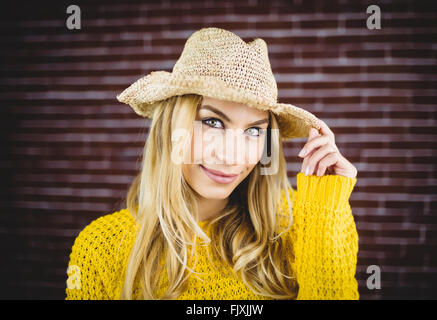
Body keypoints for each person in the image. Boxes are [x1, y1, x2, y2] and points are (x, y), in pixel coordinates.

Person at [65, 27, 359, 300]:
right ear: (170, 127)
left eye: (254, 130)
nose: (232, 156)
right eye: (212, 121)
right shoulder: (102, 248)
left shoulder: (305, 224)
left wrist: (326, 205)